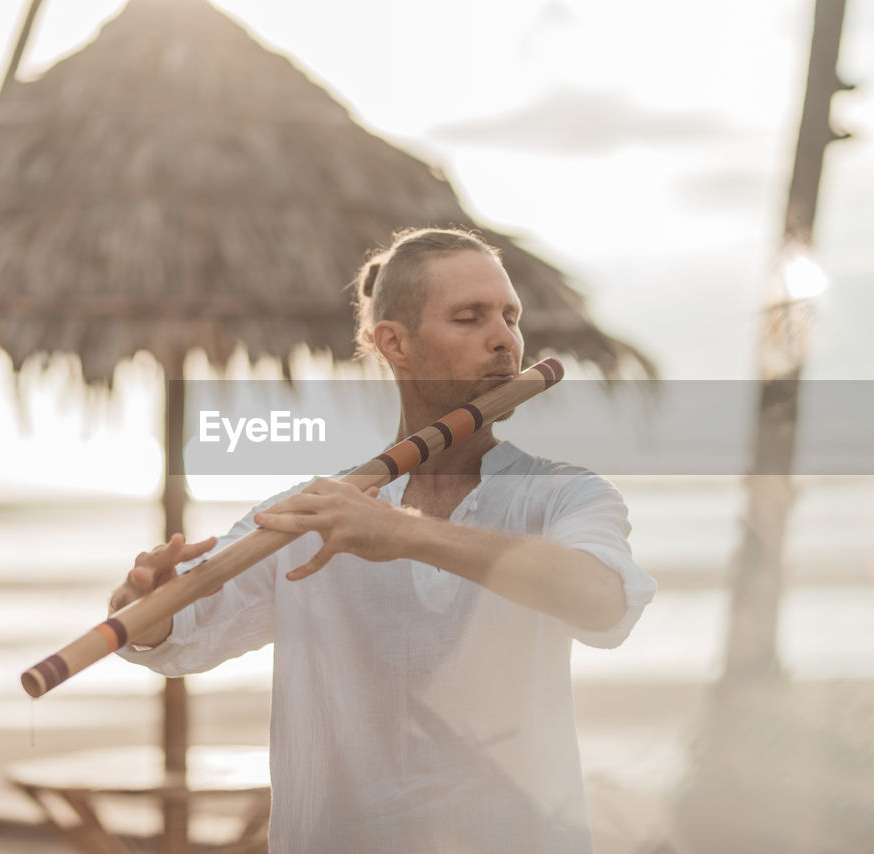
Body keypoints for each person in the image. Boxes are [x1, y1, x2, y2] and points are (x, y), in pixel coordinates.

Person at [110, 227, 657, 853]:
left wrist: (402, 533)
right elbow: (179, 638)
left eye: (510, 316)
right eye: (469, 318)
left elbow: (601, 598)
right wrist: (142, 604)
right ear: (395, 344)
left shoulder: (566, 496)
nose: (505, 338)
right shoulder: (314, 512)